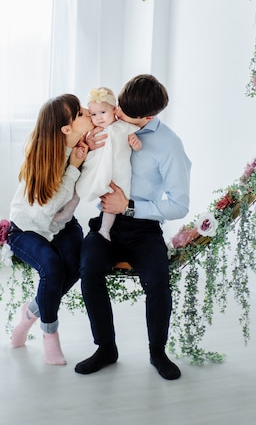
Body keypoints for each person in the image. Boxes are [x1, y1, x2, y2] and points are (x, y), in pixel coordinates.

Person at [75, 74, 191, 380]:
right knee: (88, 270)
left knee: (158, 281)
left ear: (148, 117)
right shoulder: (108, 124)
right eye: (119, 106)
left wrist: (128, 206)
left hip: (144, 228)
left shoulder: (169, 146)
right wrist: (85, 146)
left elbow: (179, 205)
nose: (117, 113)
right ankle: (106, 348)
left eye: (124, 112)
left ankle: (157, 352)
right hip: (106, 225)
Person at [7, 94, 93, 365]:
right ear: (66, 129)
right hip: (27, 228)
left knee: (79, 264)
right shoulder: (43, 157)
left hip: (61, 224)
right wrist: (75, 168)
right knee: (52, 268)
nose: (89, 111)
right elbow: (47, 208)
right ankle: (49, 334)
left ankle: (31, 311)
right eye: (80, 113)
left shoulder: (82, 144)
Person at [75, 86, 142, 241]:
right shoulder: (93, 130)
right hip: (96, 168)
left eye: (103, 112)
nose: (98, 117)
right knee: (80, 186)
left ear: (114, 109)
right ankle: (67, 210)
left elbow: (137, 143)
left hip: (117, 171)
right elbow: (83, 144)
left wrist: (136, 144)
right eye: (93, 114)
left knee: (112, 199)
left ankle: (105, 229)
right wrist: (87, 144)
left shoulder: (123, 127)